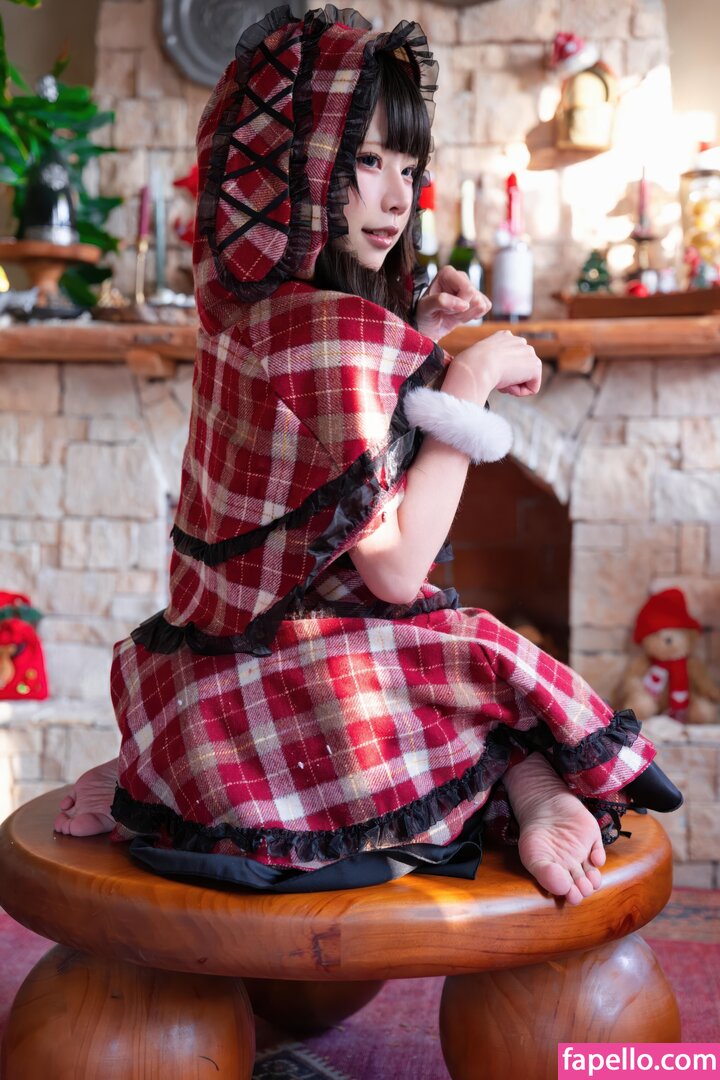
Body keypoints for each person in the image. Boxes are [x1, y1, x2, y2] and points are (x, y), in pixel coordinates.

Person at [55, 4, 681, 905]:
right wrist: (467, 386)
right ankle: (533, 787)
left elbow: (330, 457)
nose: (397, 197)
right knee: (478, 655)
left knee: (433, 655)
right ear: (294, 165)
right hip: (300, 679)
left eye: (409, 167)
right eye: (367, 161)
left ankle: (149, 774)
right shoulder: (332, 330)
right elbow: (393, 567)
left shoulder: (253, 309)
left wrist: (416, 333)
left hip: (201, 680)